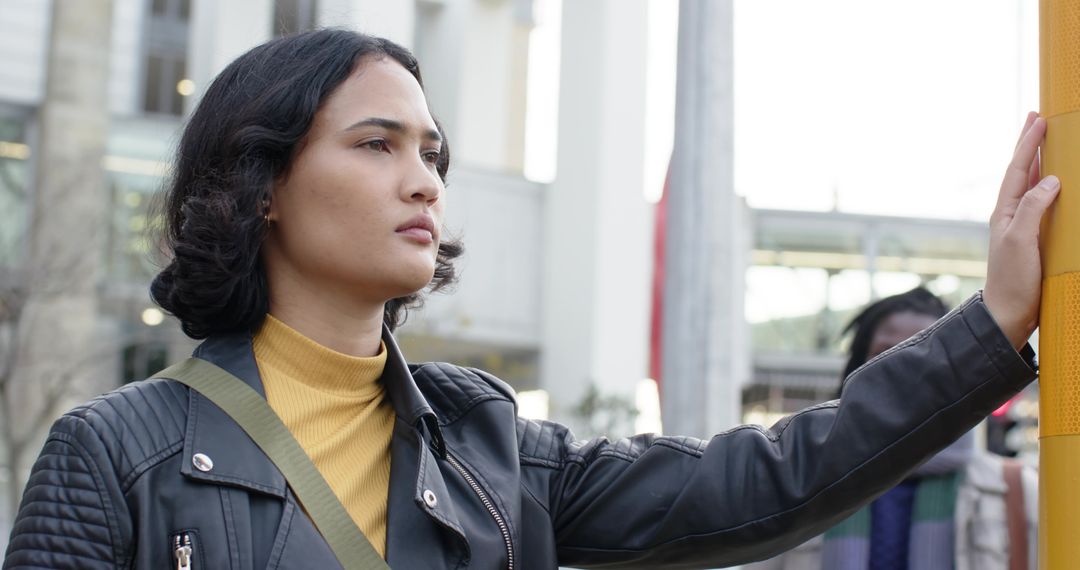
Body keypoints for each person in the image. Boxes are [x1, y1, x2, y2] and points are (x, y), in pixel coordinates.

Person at [2, 29, 1056, 569]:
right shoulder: (115, 458)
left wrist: (994, 324)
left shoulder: (486, 443)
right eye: (376, 145)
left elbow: (766, 482)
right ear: (263, 185)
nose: (424, 179)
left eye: (433, 152)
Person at [746, 287, 1038, 570]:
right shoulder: (800, 485)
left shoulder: (1016, 491)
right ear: (855, 372)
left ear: (957, 375)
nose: (905, 371)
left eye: (925, 353)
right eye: (886, 355)